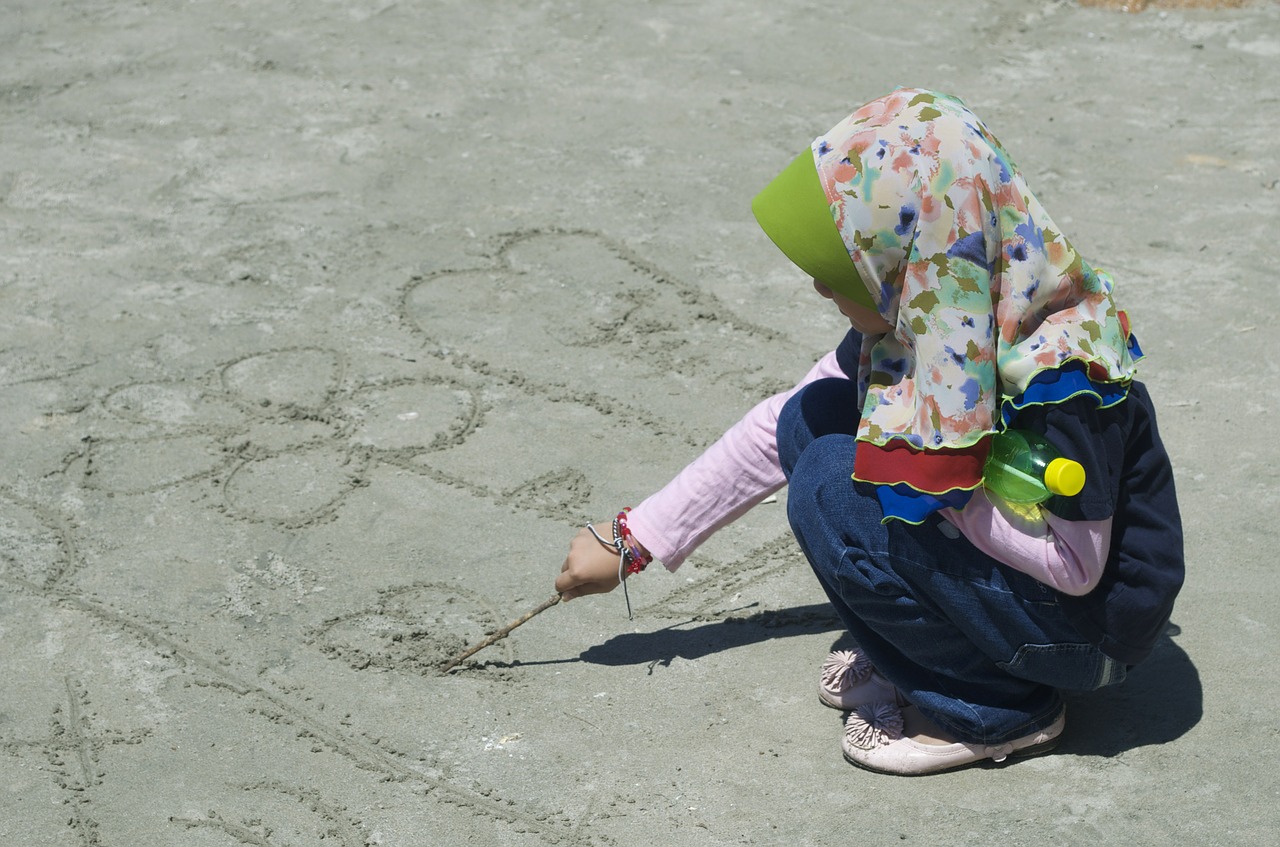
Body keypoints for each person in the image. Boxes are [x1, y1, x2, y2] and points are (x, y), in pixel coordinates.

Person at [554, 89, 1184, 776]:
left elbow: (1078, 566)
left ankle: (998, 703)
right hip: (1018, 579)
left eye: (840, 270)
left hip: (1084, 630)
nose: (822, 289)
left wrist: (942, 494)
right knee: (814, 419)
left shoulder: (1063, 381)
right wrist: (636, 539)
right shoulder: (938, 308)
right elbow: (780, 421)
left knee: (830, 489)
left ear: (913, 254)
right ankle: (935, 643)